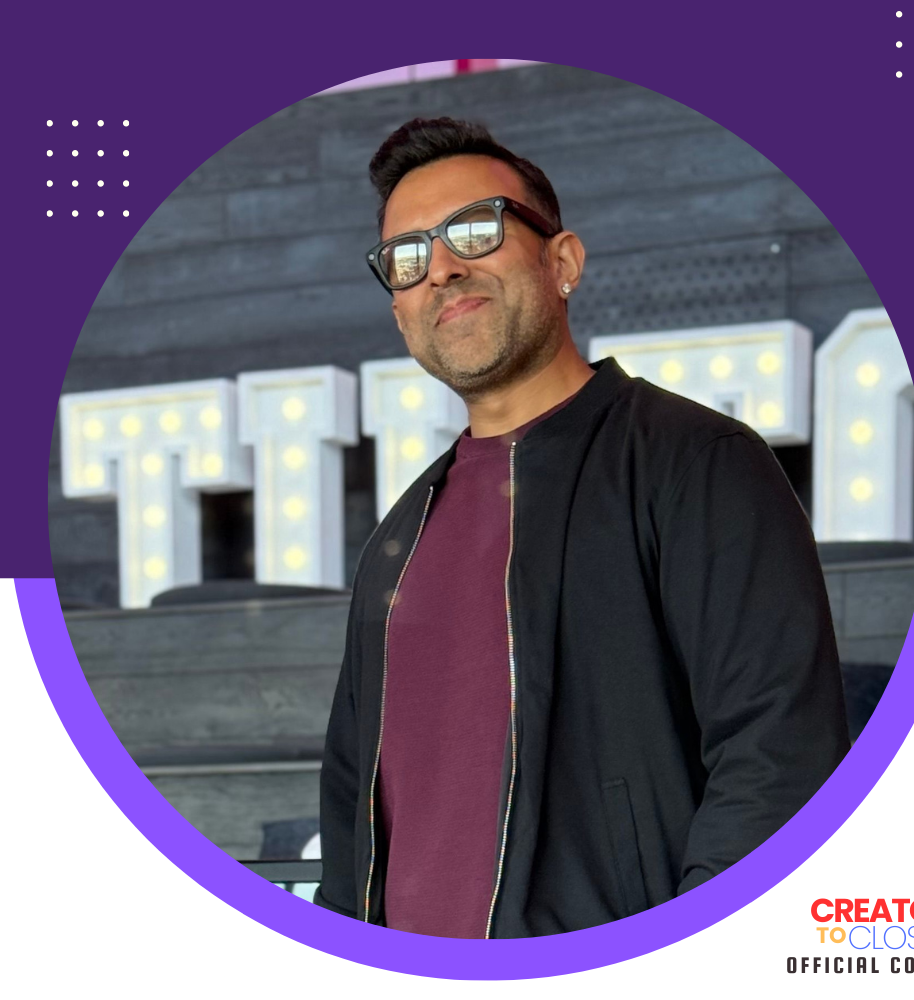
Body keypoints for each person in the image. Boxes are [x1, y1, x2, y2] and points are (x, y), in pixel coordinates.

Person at [314, 117, 849, 938]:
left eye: (475, 229)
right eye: (408, 257)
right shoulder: (399, 537)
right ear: (400, 315)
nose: (442, 268)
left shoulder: (694, 461)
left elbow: (778, 759)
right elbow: (352, 812)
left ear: (562, 262)